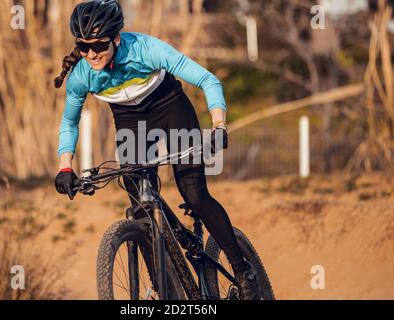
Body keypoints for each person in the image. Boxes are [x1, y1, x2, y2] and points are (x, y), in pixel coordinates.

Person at [54, 0, 260, 300]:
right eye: (83, 47)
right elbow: (69, 123)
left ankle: (244, 271)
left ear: (116, 38)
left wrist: (218, 126)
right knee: (139, 206)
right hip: (130, 122)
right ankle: (164, 290)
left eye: (98, 45)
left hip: (170, 109)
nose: (91, 54)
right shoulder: (82, 75)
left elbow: (207, 79)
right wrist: (65, 167)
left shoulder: (146, 49)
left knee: (195, 194)